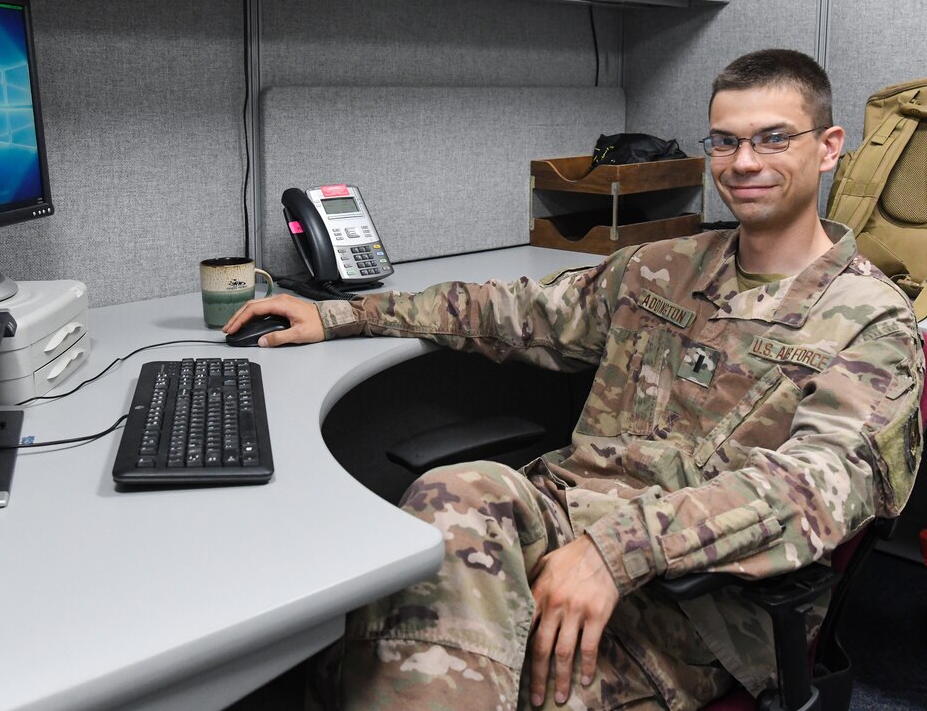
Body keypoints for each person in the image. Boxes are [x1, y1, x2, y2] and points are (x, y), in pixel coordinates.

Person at [224, 49, 925, 710]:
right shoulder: (665, 267)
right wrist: (343, 315)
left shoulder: (871, 324)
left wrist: (617, 549)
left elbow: (812, 492)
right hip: (567, 527)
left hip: (699, 604)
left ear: (829, 146)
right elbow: (513, 311)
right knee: (457, 491)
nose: (743, 162)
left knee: (395, 661)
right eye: (724, 141)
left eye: (773, 138)